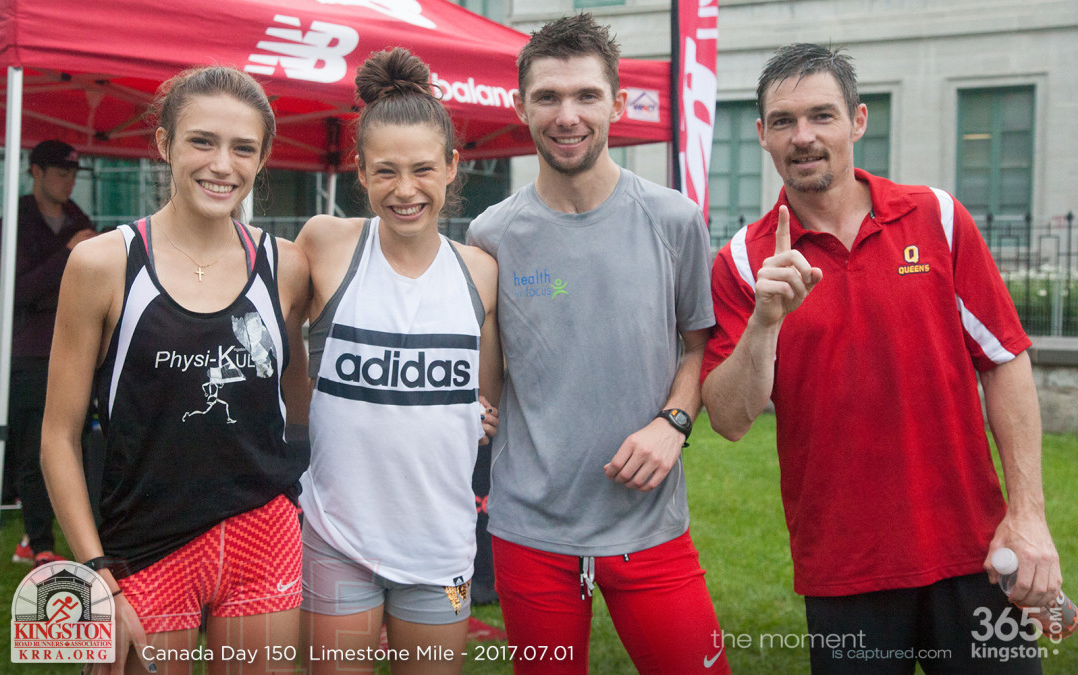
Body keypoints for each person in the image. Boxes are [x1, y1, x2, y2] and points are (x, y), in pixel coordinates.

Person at [700, 43, 1059, 673]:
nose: (803, 137)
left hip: (976, 553)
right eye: (783, 122)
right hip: (845, 571)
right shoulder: (741, 260)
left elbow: (1004, 360)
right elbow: (729, 419)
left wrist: (1027, 515)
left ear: (858, 121)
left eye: (822, 116)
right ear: (761, 135)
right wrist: (764, 322)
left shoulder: (937, 219)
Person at [466, 14, 730, 675]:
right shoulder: (493, 232)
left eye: (586, 95)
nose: (567, 115)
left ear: (616, 101)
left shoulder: (674, 220)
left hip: (650, 526)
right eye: (548, 97)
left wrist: (674, 422)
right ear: (522, 106)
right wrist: (470, 402)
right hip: (530, 533)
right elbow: (487, 377)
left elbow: (700, 347)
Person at [40, 66, 311, 674]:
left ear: (264, 158)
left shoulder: (286, 267)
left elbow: (301, 403)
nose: (223, 165)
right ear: (164, 144)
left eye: (244, 148)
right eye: (202, 141)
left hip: (262, 533)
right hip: (140, 550)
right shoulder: (102, 263)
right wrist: (97, 575)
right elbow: (57, 436)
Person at [295, 47, 500, 675]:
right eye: (385, 171)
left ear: (451, 167)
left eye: (421, 170)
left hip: (441, 548)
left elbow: (485, 401)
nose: (405, 190)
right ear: (359, 171)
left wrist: (480, 416)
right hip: (336, 536)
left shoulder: (479, 273)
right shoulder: (326, 244)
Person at [0, 140, 95, 567]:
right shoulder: (13, 223)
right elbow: (16, 293)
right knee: (36, 449)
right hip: (30, 353)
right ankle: (39, 543)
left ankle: (77, 536)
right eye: (61, 172)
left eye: (73, 173)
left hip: (80, 348)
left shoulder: (79, 218)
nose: (69, 180)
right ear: (35, 172)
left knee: (82, 446)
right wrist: (68, 255)